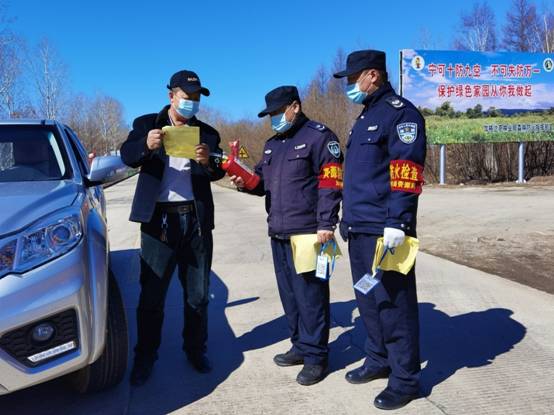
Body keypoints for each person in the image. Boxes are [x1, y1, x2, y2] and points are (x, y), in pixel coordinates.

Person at [230, 85, 343, 386]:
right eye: (270, 115)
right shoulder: (272, 145)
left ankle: (317, 357)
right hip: (278, 232)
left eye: (279, 112)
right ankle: (300, 345)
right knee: (290, 297)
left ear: (295, 107)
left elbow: (331, 183)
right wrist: (244, 182)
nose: (274, 119)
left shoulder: (319, 137)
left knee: (311, 298)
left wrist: (326, 223)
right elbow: (261, 183)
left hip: (308, 233)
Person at [333, 50, 427, 410]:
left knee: (394, 305)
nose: (348, 86)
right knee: (368, 299)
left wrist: (398, 222)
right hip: (359, 228)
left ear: (372, 75)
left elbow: (407, 169)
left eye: (352, 78)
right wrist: (346, 220)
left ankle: (405, 380)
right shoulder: (364, 117)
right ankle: (377, 358)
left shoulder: (401, 114)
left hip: (385, 231)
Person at [120, 70, 225, 386]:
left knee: (198, 295)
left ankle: (195, 350)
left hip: (195, 221)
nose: (192, 102)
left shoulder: (207, 134)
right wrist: (145, 145)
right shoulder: (146, 125)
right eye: (187, 97)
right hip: (159, 222)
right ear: (171, 96)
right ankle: (145, 356)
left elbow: (218, 170)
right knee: (152, 296)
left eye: (196, 98)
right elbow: (127, 155)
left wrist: (207, 162)